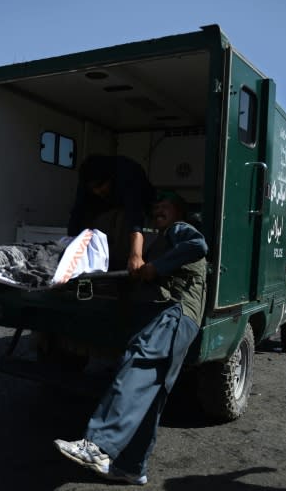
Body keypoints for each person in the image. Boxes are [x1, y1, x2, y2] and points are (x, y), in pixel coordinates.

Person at [54, 191, 207, 485]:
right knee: (150, 391)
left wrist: (154, 267)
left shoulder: (180, 231)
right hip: (180, 320)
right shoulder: (162, 239)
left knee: (138, 365)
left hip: (174, 313)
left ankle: (98, 445)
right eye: (156, 206)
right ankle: (133, 467)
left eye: (166, 206)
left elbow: (199, 245)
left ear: (179, 213)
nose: (159, 209)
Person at [67, 155, 155, 272]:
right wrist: (70, 247)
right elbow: (78, 211)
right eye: (93, 188)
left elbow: (135, 217)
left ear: (111, 179)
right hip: (109, 204)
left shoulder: (130, 174)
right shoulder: (87, 182)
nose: (97, 191)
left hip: (141, 202)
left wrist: (136, 256)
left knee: (122, 220)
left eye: (100, 186)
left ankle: (120, 261)